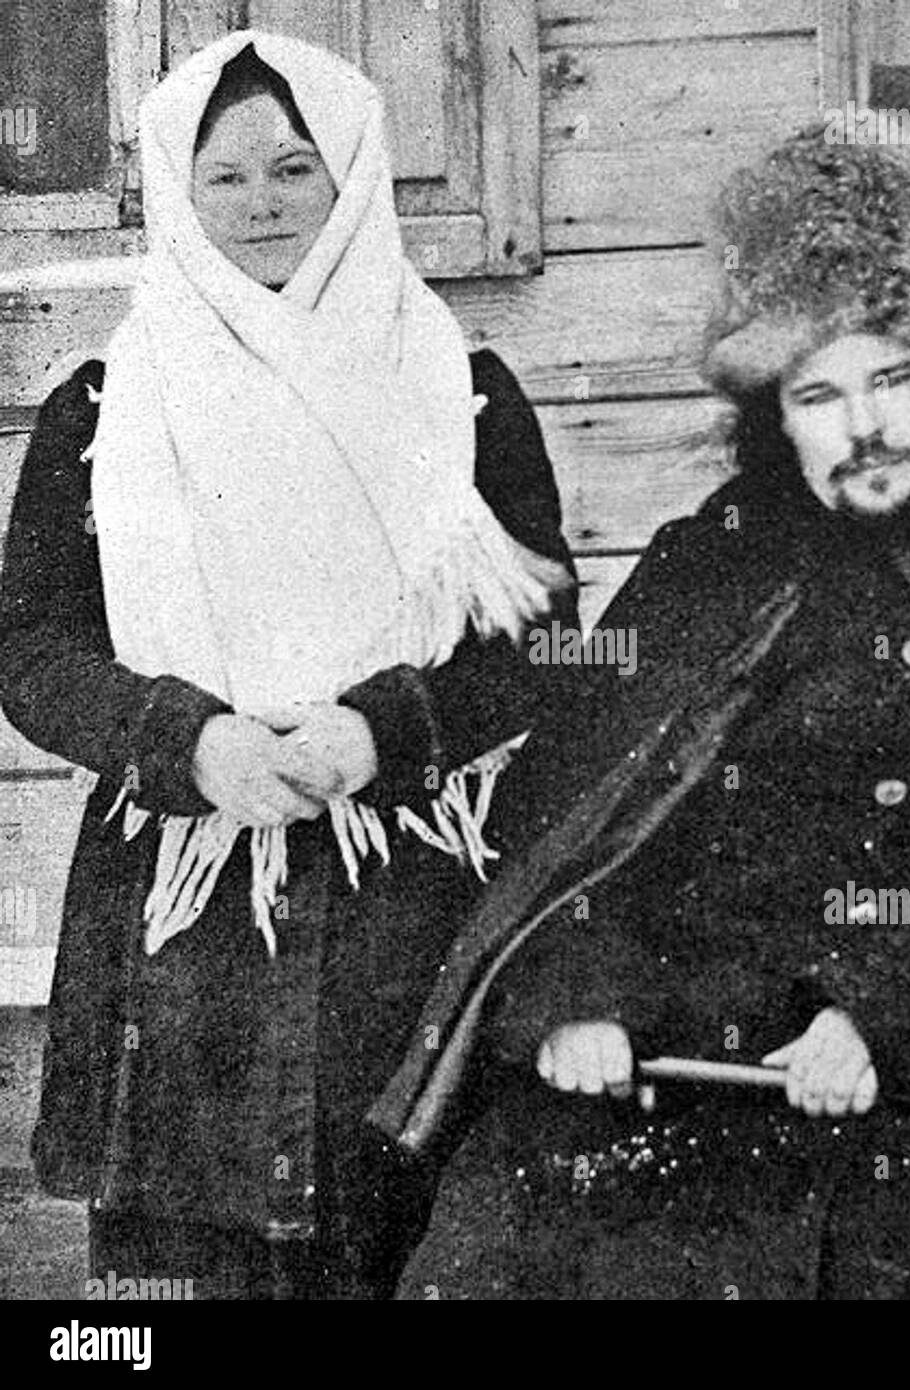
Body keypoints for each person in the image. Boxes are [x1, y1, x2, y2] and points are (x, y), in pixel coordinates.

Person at [380, 131, 910, 1300]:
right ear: (776, 416)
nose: (863, 429)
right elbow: (572, 824)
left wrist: (890, 1017)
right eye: (818, 395)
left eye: (892, 379)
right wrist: (578, 1000)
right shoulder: (706, 572)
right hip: (689, 1074)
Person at [0, 30, 576, 1299]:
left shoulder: (463, 393)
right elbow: (33, 651)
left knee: (401, 1236)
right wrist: (187, 742)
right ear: (179, 192)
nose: (261, 202)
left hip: (402, 900)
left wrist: (381, 731)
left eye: (293, 167)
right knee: (180, 1280)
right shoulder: (101, 410)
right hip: (180, 923)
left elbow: (536, 637)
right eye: (224, 177)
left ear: (351, 174)